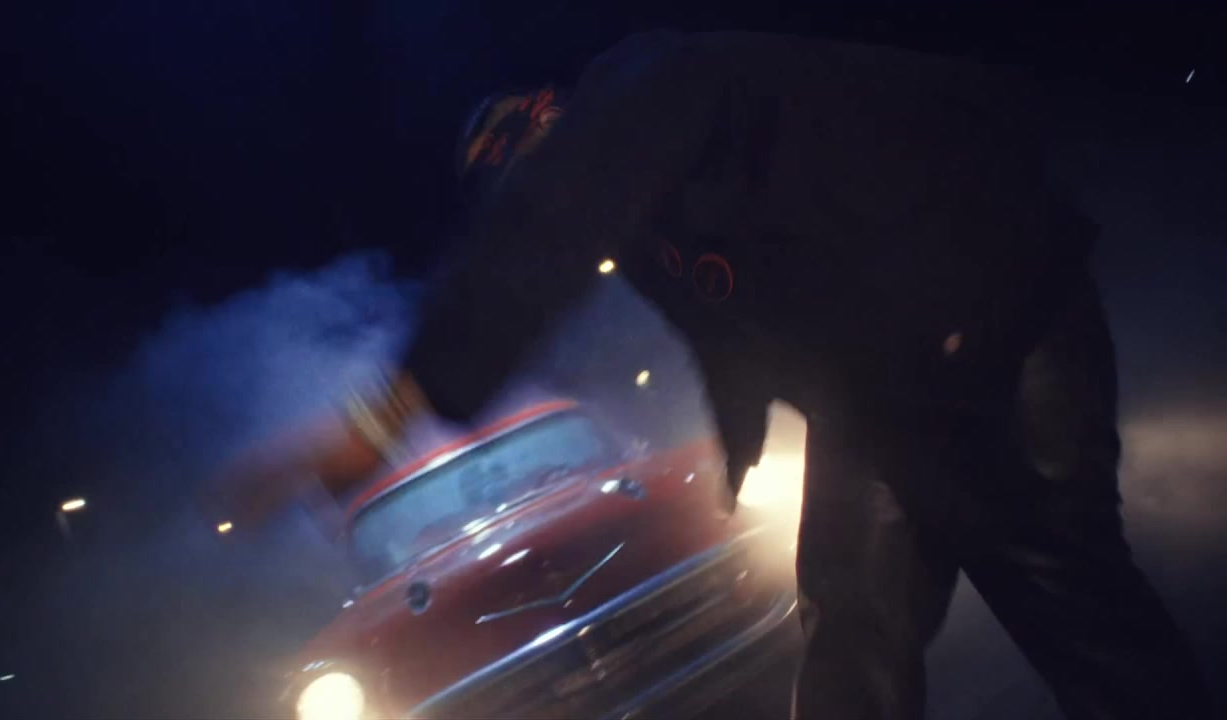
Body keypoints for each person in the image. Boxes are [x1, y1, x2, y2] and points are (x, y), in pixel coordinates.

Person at [211, 31, 1213, 720]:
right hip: (884, 379)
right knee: (850, 611)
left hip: (992, 324)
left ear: (549, 120)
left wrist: (385, 418)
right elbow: (720, 330)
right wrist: (739, 431)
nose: (521, 186)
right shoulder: (657, 220)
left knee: (1062, 592)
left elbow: (548, 226)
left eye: (520, 164)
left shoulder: (645, 85)